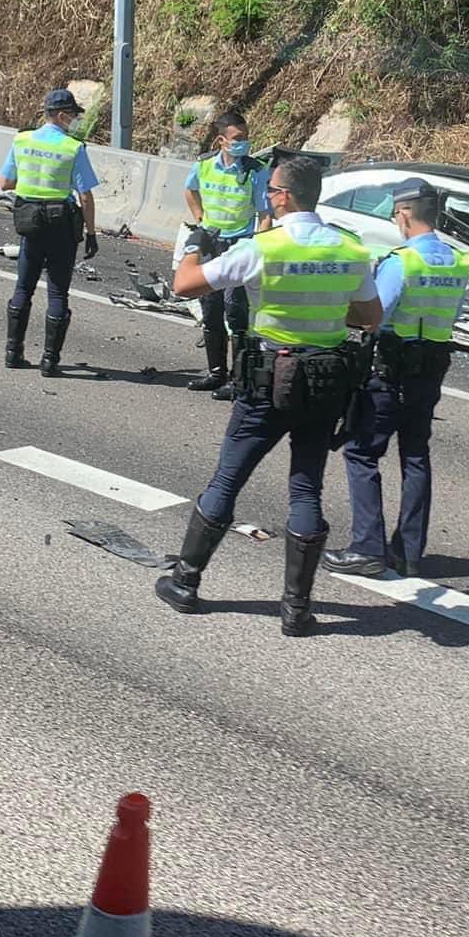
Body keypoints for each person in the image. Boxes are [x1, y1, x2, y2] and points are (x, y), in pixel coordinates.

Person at [155, 156, 382, 637]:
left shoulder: (265, 247)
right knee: (306, 488)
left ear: (284, 196)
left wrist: (194, 245)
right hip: (324, 383)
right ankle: (296, 610)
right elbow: (369, 316)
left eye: (272, 190)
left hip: (267, 381)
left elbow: (184, 285)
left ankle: (185, 583)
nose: (268, 196)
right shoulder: (350, 249)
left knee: (228, 480)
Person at [326, 178, 469, 579]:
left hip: (391, 369)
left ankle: (367, 548)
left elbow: (376, 316)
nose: (395, 221)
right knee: (416, 455)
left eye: (394, 214)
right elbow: (453, 315)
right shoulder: (459, 261)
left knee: (361, 452)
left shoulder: (401, 260)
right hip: (432, 368)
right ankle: (408, 552)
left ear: (404, 213)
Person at [0, 88, 100, 376]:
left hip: (29, 222)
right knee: (57, 293)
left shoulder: (22, 140)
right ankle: (49, 360)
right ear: (62, 115)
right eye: (73, 115)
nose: (76, 120)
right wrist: (91, 233)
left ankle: (12, 352)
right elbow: (86, 196)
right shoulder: (73, 147)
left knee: (23, 287)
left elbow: (4, 182)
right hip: (61, 225)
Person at [183, 109, 271, 397]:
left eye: (245, 138)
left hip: (240, 245)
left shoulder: (256, 171)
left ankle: (239, 379)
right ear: (221, 140)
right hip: (211, 242)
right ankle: (216, 373)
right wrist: (200, 220)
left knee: (236, 311)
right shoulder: (205, 166)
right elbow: (190, 190)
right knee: (211, 309)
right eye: (238, 138)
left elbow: (264, 214)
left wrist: (259, 244)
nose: (244, 143)